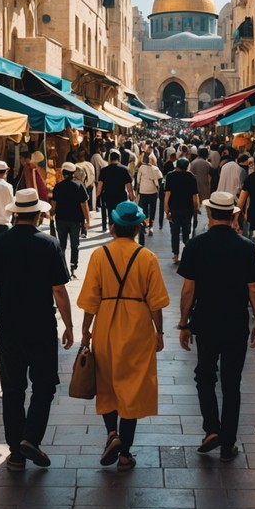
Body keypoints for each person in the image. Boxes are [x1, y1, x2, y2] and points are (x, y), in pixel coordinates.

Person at [0, 188, 74, 471]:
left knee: (12, 389)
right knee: (44, 386)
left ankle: (16, 453)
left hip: (8, 326)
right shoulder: (49, 244)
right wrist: (69, 325)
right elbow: (58, 289)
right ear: (38, 214)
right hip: (41, 325)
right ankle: (30, 438)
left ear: (16, 213)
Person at [77, 201, 170, 472]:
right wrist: (160, 332)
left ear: (113, 227)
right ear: (138, 228)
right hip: (138, 326)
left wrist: (85, 331)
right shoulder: (147, 258)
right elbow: (156, 303)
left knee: (106, 381)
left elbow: (90, 300)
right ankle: (125, 454)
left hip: (106, 323)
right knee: (132, 387)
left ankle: (111, 434)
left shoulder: (99, 255)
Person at [177, 191, 255, 462]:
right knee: (231, 383)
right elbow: (254, 289)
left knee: (205, 375)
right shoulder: (246, 246)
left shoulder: (195, 245)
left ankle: (211, 428)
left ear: (210, 213)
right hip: (236, 322)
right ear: (233, 215)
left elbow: (188, 290)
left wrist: (184, 323)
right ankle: (228, 442)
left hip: (205, 321)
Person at [50, 162, 90, 276]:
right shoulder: (79, 185)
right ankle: (73, 266)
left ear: (63, 173)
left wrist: (51, 214)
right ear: (73, 173)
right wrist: (87, 220)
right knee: (74, 244)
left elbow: (54, 204)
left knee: (61, 245)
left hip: (61, 219)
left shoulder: (58, 186)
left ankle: (62, 267)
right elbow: (84, 205)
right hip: (76, 220)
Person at [164, 157, 199, 263]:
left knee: (174, 232)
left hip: (174, 208)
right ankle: (186, 253)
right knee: (186, 231)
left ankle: (176, 255)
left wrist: (166, 208)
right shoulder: (191, 176)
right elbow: (194, 195)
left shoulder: (170, 176)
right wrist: (196, 207)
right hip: (187, 208)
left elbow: (167, 194)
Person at [97, 150, 135, 232]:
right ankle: (119, 228)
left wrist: (98, 196)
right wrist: (131, 195)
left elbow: (100, 184)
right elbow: (128, 185)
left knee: (111, 212)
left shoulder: (104, 170)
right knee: (120, 212)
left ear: (110, 159)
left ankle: (112, 228)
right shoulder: (124, 169)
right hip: (121, 195)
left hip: (108, 195)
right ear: (119, 158)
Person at [135, 153, 163, 236]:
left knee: (144, 210)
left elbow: (137, 181)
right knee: (152, 210)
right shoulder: (155, 168)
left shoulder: (141, 168)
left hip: (143, 191)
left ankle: (144, 225)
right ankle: (151, 227)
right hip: (153, 192)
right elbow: (160, 179)